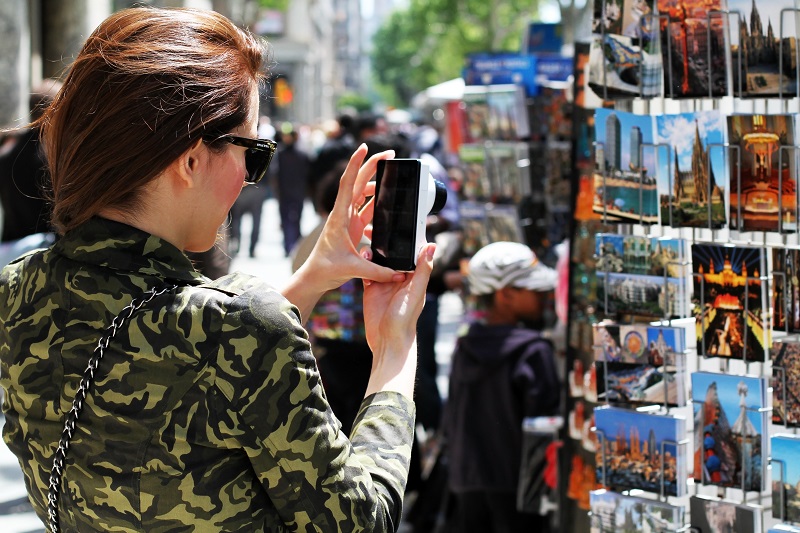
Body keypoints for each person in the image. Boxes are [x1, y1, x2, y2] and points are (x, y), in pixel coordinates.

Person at [0, 7, 434, 532]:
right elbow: (360, 521)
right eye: (253, 154)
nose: (250, 179)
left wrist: (314, 276)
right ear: (189, 160)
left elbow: (191, 365)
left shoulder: (17, 289)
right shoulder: (238, 325)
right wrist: (394, 352)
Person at [443, 241, 560, 533]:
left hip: (468, 481)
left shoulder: (465, 346)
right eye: (534, 291)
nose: (543, 296)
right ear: (506, 294)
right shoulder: (534, 352)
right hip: (520, 490)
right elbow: (545, 426)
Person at [0, 79, 62, 265]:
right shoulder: (56, 156)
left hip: (9, 252)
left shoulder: (7, 153)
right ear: (55, 110)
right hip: (45, 252)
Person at [273, 128, 311, 256]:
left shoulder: (299, 154)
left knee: (295, 219)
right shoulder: (281, 154)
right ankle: (290, 245)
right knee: (288, 219)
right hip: (289, 192)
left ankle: (293, 245)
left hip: (294, 192)